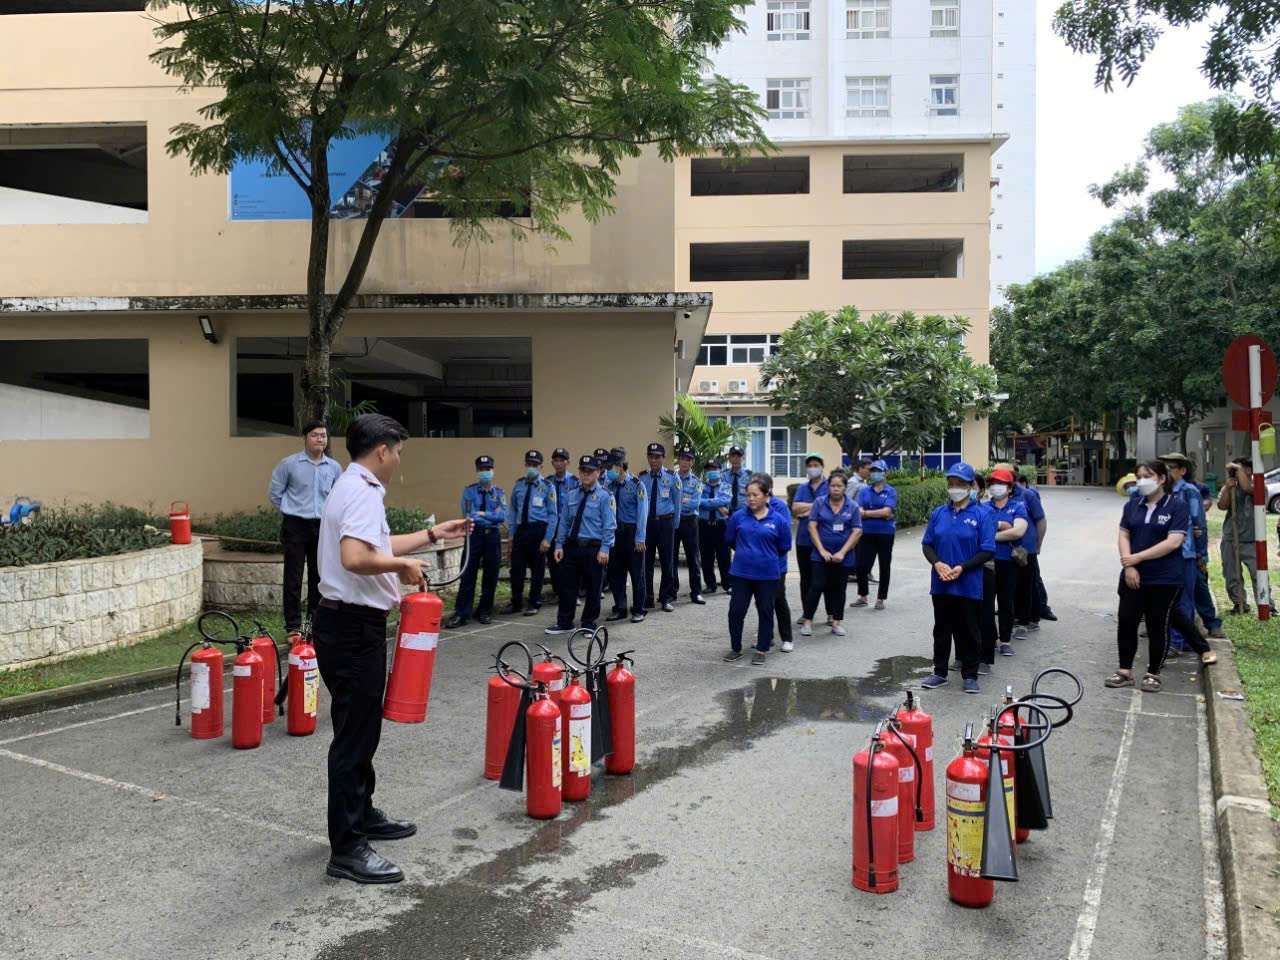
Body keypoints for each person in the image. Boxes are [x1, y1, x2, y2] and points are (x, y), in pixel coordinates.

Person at [313, 413, 470, 884]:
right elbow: (356, 557)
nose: (399, 459)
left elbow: (374, 543)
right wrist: (402, 565)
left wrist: (430, 535)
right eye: (398, 451)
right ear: (382, 450)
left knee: (360, 731)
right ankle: (347, 848)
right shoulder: (360, 490)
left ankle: (362, 817)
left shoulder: (355, 485)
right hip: (351, 629)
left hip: (348, 626)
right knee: (354, 738)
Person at [1106, 460, 1216, 694]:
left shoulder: (1176, 507)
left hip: (1164, 578)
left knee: (1159, 625)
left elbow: (1173, 542)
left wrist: (1137, 559)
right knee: (1127, 621)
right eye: (1140, 476)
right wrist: (1129, 565)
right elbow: (1124, 535)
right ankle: (1124, 670)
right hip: (1132, 575)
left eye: (1148, 476)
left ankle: (1153, 673)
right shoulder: (1133, 505)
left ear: (1162, 479)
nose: (1143, 481)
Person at [920, 463, 996, 694]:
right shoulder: (939, 513)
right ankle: (939, 672)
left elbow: (987, 550)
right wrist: (937, 563)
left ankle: (970, 676)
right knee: (941, 629)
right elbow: (927, 544)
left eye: (960, 484)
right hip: (941, 582)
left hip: (968, 583)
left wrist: (963, 567)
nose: (955, 488)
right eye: (951, 484)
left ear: (971, 486)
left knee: (970, 629)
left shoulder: (982, 514)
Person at [268, 419, 342, 638]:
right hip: (295, 525)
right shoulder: (289, 464)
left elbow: (338, 497)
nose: (320, 439)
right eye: (315, 435)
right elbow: (275, 493)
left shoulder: (335, 467)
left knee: (319, 578)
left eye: (323, 435)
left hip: (322, 526)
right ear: (305, 438)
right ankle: (292, 626)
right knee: (293, 577)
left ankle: (314, 624)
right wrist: (291, 510)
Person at [724, 473, 792, 666]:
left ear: (766, 495)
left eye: (755, 495)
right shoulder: (738, 517)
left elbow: (783, 546)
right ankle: (736, 648)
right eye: (748, 495)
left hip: (768, 575)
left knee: (765, 611)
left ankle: (762, 650)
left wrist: (763, 556)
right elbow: (730, 540)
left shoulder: (778, 519)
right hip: (741, 574)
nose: (751, 499)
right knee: (736, 611)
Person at [546, 454, 616, 634]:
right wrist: (559, 545)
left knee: (593, 588)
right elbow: (564, 522)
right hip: (571, 546)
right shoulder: (571, 494)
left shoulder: (605, 496)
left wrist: (605, 548)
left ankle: (589, 623)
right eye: (583, 470)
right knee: (567, 587)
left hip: (594, 548)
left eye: (590, 471)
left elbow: (609, 525)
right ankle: (565, 623)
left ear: (598, 473)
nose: (586, 474)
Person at [1161, 452, 1220, 650]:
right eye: (1165, 468)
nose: (1167, 472)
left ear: (1183, 470)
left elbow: (1199, 526)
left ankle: (1178, 643)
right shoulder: (1160, 491)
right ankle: (1175, 640)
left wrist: (1200, 556)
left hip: (1186, 554)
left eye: (1171, 468)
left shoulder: (1189, 491)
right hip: (1163, 554)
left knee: (1185, 600)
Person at [799, 469, 861, 639]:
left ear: (845, 488)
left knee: (839, 589)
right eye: (832, 485)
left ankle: (836, 622)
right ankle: (807, 622)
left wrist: (842, 552)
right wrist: (821, 550)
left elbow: (857, 531)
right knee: (816, 586)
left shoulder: (853, 506)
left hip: (844, 556)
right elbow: (812, 526)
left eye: (839, 486)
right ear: (828, 487)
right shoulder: (819, 502)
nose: (835, 489)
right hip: (820, 555)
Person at [445, 456, 505, 628]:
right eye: (481, 469)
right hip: (474, 535)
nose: (485, 472)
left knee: (491, 575)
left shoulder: (499, 493)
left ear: (493, 471)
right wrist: (490, 516)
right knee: (468, 574)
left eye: (488, 468)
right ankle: (462, 613)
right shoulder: (469, 492)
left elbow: (502, 516)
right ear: (477, 472)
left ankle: (485, 611)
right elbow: (469, 516)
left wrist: (484, 514)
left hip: (493, 537)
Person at [503, 450, 556, 617]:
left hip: (538, 531)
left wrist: (548, 538)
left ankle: (534, 602)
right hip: (521, 531)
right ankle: (516, 602)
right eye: (529, 464)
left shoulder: (548, 487)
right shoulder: (518, 485)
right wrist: (511, 535)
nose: (531, 467)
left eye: (535, 465)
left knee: (537, 569)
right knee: (516, 569)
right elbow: (512, 511)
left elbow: (553, 515)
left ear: (541, 467)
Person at [986, 468, 1028, 662]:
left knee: (1006, 601)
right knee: (986, 603)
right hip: (987, 561)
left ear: (1010, 488)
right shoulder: (984, 508)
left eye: (1000, 483)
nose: (996, 487)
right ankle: (991, 639)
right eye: (993, 483)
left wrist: (990, 535)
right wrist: (1003, 525)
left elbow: (1018, 532)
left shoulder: (1017, 507)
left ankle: (1005, 641)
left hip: (1009, 562)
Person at [604, 449, 649, 623]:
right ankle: (620, 608)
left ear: (620, 466)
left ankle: (639, 609)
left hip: (632, 532)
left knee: (637, 573)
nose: (608, 471)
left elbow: (642, 513)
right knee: (616, 572)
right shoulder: (609, 486)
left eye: (611, 467)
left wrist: (640, 537)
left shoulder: (637, 485)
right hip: (616, 533)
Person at [637, 442, 679, 612]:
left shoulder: (672, 477)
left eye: (657, 457)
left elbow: (677, 503)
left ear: (663, 458)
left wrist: (674, 527)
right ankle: (647, 597)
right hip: (648, 524)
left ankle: (666, 597)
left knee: (667, 561)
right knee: (646, 562)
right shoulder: (642, 478)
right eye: (650, 457)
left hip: (665, 523)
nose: (653, 460)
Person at [1218, 458, 1260, 615]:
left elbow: (1248, 488)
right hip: (1231, 537)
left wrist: (1237, 468)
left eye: (1238, 469)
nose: (1234, 472)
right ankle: (1239, 603)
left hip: (1251, 538)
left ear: (1248, 471)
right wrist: (1228, 489)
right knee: (1231, 574)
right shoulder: (1230, 486)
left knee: (1258, 573)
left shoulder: (1258, 486)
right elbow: (1222, 506)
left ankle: (1267, 604)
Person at [1013, 471, 1055, 624]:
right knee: (1016, 583)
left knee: (1031, 581)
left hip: (1027, 548)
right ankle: (1018, 613)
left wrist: (1038, 544)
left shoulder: (1028, 495)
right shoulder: (1000, 499)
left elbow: (1041, 520)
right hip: (1009, 549)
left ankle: (1037, 612)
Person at [853, 459, 896, 610]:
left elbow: (887, 512)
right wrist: (878, 513)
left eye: (879, 471)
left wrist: (867, 513)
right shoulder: (865, 490)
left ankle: (881, 598)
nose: (875, 473)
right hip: (866, 533)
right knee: (861, 565)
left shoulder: (890, 491)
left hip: (886, 533)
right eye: (873, 471)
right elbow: (858, 511)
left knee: (884, 566)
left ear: (885, 473)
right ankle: (863, 596)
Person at [790, 453, 828, 618]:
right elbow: (795, 508)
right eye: (809, 465)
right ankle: (807, 613)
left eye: (815, 465)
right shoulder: (802, 487)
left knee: (826, 578)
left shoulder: (829, 485)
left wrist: (806, 511)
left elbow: (830, 508)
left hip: (825, 539)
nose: (812, 468)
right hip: (804, 539)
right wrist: (816, 507)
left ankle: (831, 613)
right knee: (805, 579)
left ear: (821, 466)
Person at [544, 448, 580, 605]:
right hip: (552, 527)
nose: (559, 463)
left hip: (569, 528)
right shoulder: (547, 482)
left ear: (568, 462)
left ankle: (573, 593)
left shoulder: (575, 481)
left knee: (570, 561)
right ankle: (558, 592)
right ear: (552, 463)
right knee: (553, 561)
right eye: (556, 460)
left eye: (562, 460)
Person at [672, 448, 707, 604]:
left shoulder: (697, 482)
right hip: (673, 522)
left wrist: (677, 505)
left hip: (689, 522)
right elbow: (667, 502)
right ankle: (671, 591)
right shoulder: (671, 478)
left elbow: (694, 503)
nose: (685, 462)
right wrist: (681, 503)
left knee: (693, 557)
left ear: (692, 462)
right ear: (678, 460)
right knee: (671, 557)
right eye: (682, 458)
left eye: (688, 459)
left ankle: (696, 592)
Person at [697, 458, 733, 593]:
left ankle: (728, 584)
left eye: (714, 469)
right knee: (706, 557)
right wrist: (719, 506)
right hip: (704, 525)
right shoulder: (700, 486)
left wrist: (708, 502)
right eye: (709, 469)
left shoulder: (726, 487)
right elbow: (697, 501)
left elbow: (725, 499)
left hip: (721, 525)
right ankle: (710, 585)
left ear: (720, 470)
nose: (711, 472)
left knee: (724, 556)